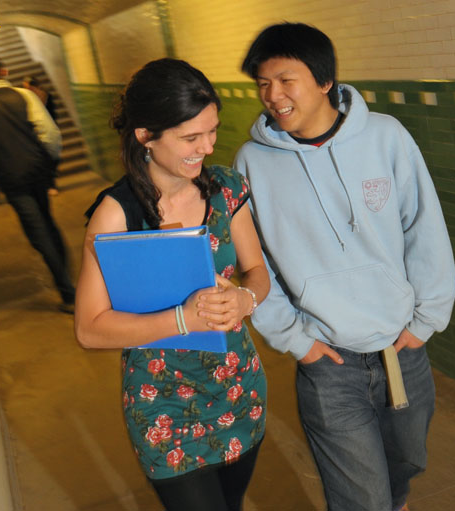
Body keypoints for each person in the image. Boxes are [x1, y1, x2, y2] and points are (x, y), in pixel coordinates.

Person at [234, 23, 455, 511]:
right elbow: (255, 263)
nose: (272, 95)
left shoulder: (385, 138)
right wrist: (296, 341)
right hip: (328, 363)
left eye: (285, 80)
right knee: (362, 499)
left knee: (406, 467)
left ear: (323, 80)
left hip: (402, 350)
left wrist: (424, 322)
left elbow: (425, 229)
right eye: (263, 84)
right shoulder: (253, 161)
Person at [74, 58, 269, 511]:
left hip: (239, 389)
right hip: (163, 405)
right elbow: (90, 328)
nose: (206, 147)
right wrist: (182, 318)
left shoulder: (224, 188)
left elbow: (257, 272)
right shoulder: (116, 214)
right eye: (190, 137)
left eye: (212, 131)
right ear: (145, 135)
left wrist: (245, 298)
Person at [0, 54, 75, 313]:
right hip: (37, 171)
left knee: (36, 231)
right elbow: (49, 134)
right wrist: (50, 164)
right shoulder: (24, 96)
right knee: (47, 220)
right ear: (4, 71)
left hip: (11, 179)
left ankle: (67, 291)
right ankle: (68, 277)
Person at [22, 76, 60, 196]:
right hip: (43, 132)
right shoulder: (40, 96)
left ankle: (49, 184)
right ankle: (49, 184)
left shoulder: (36, 97)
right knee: (47, 159)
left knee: (48, 159)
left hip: (42, 132)